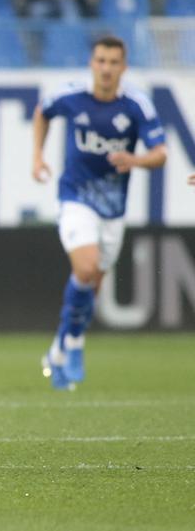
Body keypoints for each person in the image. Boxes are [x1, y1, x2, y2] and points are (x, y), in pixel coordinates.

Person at [32, 36, 167, 390]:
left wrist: (134, 160)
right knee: (86, 268)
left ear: (123, 67)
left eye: (113, 62)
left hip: (113, 209)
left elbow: (161, 153)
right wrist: (37, 155)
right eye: (101, 61)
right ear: (92, 63)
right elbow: (42, 113)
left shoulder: (137, 105)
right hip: (76, 196)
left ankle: (58, 348)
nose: (106, 68)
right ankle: (75, 344)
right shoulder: (71, 96)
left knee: (91, 286)